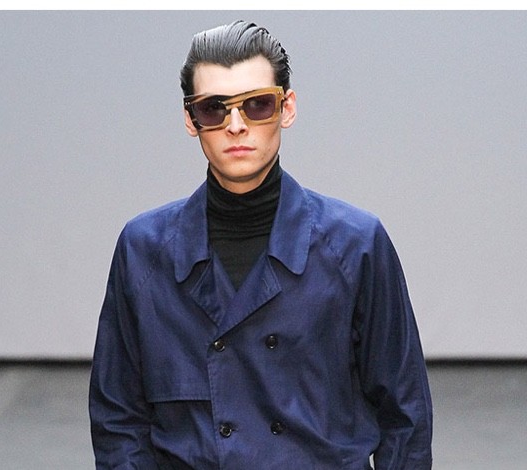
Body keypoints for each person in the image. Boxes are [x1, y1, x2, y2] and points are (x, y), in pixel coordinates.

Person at [89, 20, 433, 469]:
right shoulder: (144, 250)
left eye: (257, 105)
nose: (236, 126)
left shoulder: (355, 245)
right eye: (214, 108)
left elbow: (405, 414)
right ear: (191, 120)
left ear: (287, 108)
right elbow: (118, 419)